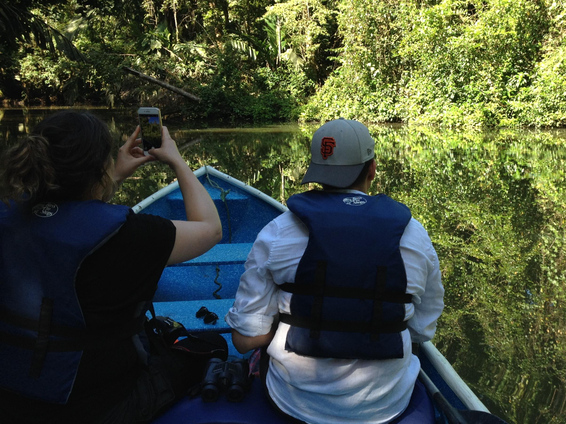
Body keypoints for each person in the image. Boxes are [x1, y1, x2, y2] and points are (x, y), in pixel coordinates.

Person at [0, 110, 223, 423]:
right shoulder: (127, 236)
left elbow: (65, 218)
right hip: (100, 406)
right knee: (211, 345)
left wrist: (111, 176)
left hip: (11, 398)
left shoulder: (8, 219)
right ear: (99, 168)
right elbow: (210, 228)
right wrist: (177, 161)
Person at [225, 118, 445, 424]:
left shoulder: (278, 232)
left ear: (315, 172)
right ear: (372, 169)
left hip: (293, 403)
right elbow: (422, 330)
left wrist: (291, 323)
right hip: (386, 406)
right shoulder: (414, 235)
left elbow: (245, 339)